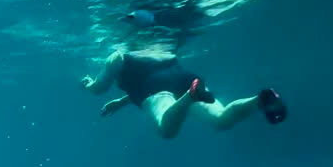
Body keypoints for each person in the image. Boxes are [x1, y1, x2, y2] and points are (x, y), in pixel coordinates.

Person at [81, 49, 286, 138]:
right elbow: (153, 74)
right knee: (221, 120)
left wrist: (87, 83)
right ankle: (259, 100)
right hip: (185, 78)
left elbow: (98, 89)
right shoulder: (164, 44)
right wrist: (123, 101)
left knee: (166, 130)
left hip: (158, 90)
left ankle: (190, 97)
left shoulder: (117, 56)